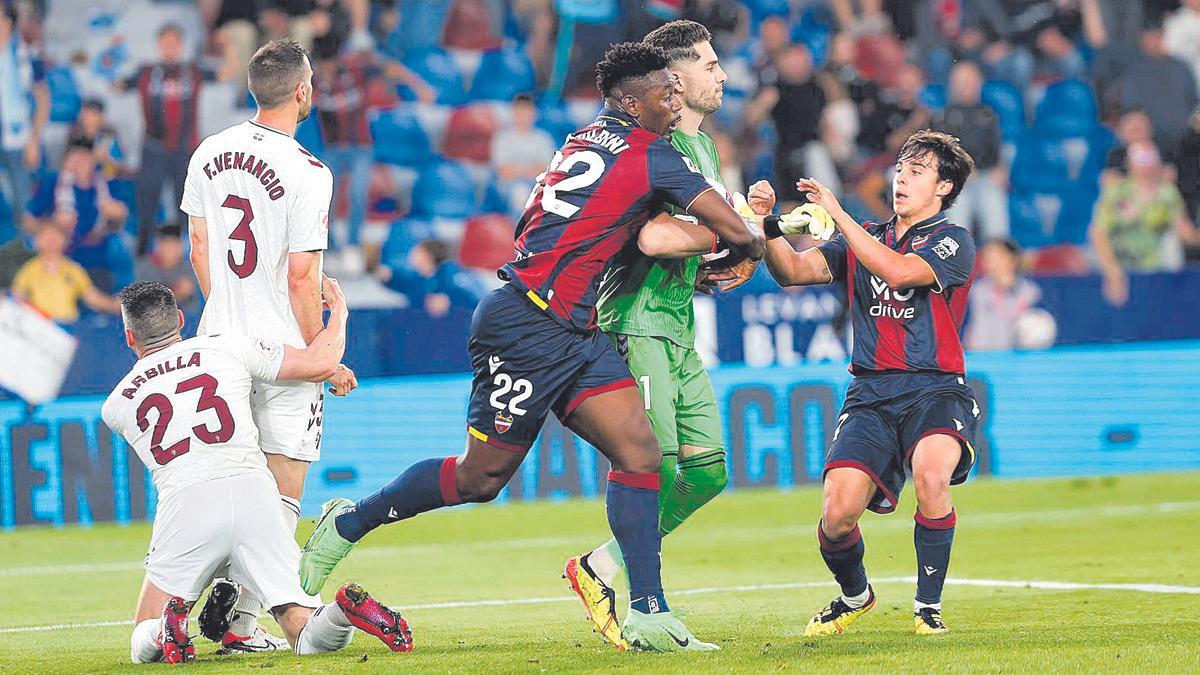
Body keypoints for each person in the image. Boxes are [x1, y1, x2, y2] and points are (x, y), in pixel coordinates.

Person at [298, 41, 766, 653]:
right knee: (480, 478)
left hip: (574, 327)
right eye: (665, 91)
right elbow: (736, 235)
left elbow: (561, 225)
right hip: (524, 326)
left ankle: (649, 612)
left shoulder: (578, 141)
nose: (674, 99)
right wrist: (756, 237)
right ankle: (348, 522)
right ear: (632, 100)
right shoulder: (654, 155)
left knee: (641, 453)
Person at [565, 19, 776, 650]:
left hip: (679, 324)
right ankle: (646, 611)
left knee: (708, 473)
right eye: (711, 65)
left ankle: (599, 565)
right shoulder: (651, 147)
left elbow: (684, 247)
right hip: (634, 321)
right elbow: (651, 236)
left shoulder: (705, 151)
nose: (724, 76)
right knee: (649, 463)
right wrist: (737, 229)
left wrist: (735, 243)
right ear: (675, 79)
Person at [101, 279, 412, 664]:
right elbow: (318, 362)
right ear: (181, 318)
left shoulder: (116, 405)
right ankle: (341, 611)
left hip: (185, 504)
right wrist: (340, 312)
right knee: (306, 631)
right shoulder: (226, 346)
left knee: (141, 639)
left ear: (129, 336)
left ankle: (167, 626)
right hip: (255, 496)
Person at [759, 129, 980, 635]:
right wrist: (769, 226)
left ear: (943, 188)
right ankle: (855, 596)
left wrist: (838, 215)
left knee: (931, 475)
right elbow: (792, 272)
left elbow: (901, 273)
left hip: (936, 388)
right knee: (836, 516)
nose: (901, 177)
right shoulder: (864, 236)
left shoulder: (953, 239)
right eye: (900, 167)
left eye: (917, 171)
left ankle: (928, 609)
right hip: (871, 395)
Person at [181, 38, 357, 653]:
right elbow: (302, 277)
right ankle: (239, 617)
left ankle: (189, 608)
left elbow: (201, 251)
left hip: (217, 342)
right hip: (282, 350)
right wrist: (322, 353)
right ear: (304, 90)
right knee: (282, 491)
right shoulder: (309, 171)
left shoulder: (209, 151)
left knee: (226, 478)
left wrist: (227, 313)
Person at [120, 23, 221, 256]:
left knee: (187, 205)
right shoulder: (146, 72)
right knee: (147, 204)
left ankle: (191, 258)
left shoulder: (193, 71)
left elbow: (225, 73)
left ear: (181, 45)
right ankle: (143, 255)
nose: (169, 48)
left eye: (174, 43)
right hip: (154, 148)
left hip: (185, 151)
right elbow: (119, 85)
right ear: (158, 45)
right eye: (165, 43)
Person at [1090, 140, 1199, 307]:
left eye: (1150, 158)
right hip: (1116, 259)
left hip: (1152, 262)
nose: (1147, 165)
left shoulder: (1168, 193)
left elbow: (1185, 232)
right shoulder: (1116, 191)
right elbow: (1098, 233)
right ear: (1129, 163)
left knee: (1171, 243)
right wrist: (1112, 272)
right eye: (1141, 158)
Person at [933, 61, 1007, 241]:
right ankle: (960, 259)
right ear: (953, 83)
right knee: (959, 203)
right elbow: (939, 157)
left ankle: (998, 258)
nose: (967, 85)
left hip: (985, 177)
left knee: (994, 198)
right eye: (962, 80)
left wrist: (1001, 169)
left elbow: (997, 151)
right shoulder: (942, 116)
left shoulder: (989, 114)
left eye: (971, 80)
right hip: (956, 182)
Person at [11, 223, 119, 323]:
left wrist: (114, 305)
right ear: (37, 241)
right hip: (42, 328)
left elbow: (91, 297)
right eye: (46, 236)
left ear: (65, 240)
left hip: (68, 327)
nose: (51, 240)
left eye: (56, 236)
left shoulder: (73, 269)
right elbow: (17, 296)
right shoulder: (29, 269)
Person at [0, 3, 49, 220]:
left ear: (9, 21)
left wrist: (35, 140)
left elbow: (43, 99)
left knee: (25, 206)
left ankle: (28, 252)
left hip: (19, 142)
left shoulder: (26, 54)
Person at [964, 239, 1042, 352]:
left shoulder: (1030, 292)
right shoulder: (977, 290)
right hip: (980, 356)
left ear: (1011, 259)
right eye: (987, 257)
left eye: (995, 256)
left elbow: (1034, 327)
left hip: (1014, 357)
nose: (989, 261)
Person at [377, 238, 486, 317]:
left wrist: (451, 301)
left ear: (427, 256)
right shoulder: (418, 278)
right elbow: (405, 285)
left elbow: (477, 298)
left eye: (417, 251)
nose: (412, 255)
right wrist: (389, 278)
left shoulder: (453, 276)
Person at [490, 93, 557, 216]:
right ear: (513, 112)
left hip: (536, 185)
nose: (523, 115)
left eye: (526, 110)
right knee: (519, 193)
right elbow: (503, 172)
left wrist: (518, 170)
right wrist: (530, 170)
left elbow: (545, 172)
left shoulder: (543, 139)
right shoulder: (502, 138)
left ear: (534, 113)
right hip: (507, 186)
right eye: (520, 110)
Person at [136, 224, 200, 316]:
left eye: (173, 244)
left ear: (181, 247)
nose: (169, 249)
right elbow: (147, 301)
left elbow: (194, 305)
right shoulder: (144, 267)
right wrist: (175, 293)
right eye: (165, 244)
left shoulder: (191, 268)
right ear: (157, 246)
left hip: (188, 322)